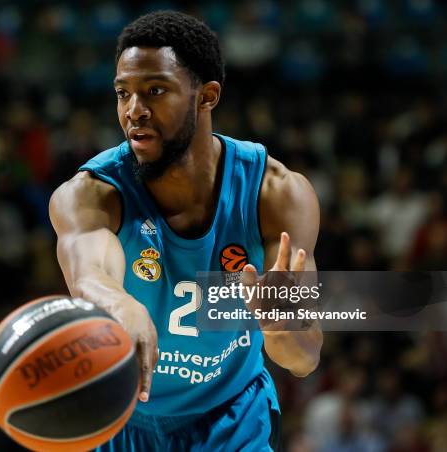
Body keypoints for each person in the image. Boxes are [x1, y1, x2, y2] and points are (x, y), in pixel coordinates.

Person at [49, 11, 322, 451]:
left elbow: (305, 359)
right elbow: (89, 277)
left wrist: (281, 325)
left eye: (154, 90)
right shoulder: (92, 193)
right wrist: (120, 303)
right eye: (123, 93)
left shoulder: (276, 195)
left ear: (206, 96)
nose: (134, 110)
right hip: (122, 414)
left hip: (229, 417)